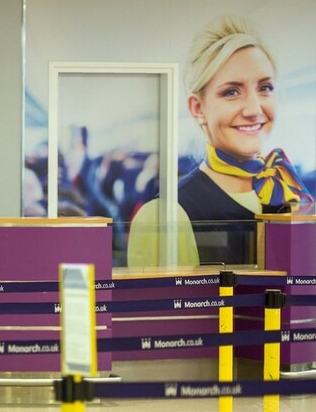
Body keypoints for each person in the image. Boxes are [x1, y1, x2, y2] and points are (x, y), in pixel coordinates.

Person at [128, 14, 313, 267]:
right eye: (231, 92)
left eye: (265, 88)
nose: (254, 109)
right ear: (198, 108)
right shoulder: (166, 215)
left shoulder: (288, 188)